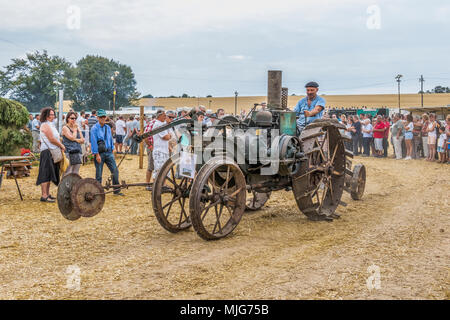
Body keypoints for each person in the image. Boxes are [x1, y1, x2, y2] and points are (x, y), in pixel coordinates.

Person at [90, 109, 123, 196]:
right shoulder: (94, 129)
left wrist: (112, 149)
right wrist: (96, 154)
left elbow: (110, 139)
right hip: (99, 154)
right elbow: (93, 142)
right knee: (99, 174)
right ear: (97, 117)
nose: (102, 118)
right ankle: (98, 192)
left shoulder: (108, 128)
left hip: (109, 153)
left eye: (104, 116)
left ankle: (116, 190)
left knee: (115, 171)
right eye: (101, 117)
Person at [36, 107, 65, 203]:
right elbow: (52, 139)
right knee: (45, 174)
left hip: (51, 151)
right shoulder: (45, 125)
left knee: (49, 174)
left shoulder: (51, 125)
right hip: (47, 152)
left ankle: (47, 194)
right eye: (51, 114)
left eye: (53, 114)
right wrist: (61, 145)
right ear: (46, 116)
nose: (52, 116)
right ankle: (44, 195)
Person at [61, 111, 84, 176]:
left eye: (75, 118)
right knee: (68, 172)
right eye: (72, 118)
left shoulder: (76, 127)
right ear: (67, 118)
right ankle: (65, 186)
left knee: (75, 173)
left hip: (77, 151)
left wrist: (77, 130)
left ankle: (74, 186)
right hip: (69, 152)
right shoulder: (65, 128)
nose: (74, 120)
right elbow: (72, 138)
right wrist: (75, 130)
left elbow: (82, 140)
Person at [152, 110, 172, 179]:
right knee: (159, 170)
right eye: (164, 116)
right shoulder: (158, 124)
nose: (165, 117)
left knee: (164, 170)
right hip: (160, 151)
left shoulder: (162, 124)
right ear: (159, 116)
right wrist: (169, 135)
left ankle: (162, 186)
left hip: (163, 150)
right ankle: (156, 187)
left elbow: (169, 134)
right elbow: (166, 137)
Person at [143, 114, 157, 190]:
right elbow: (145, 135)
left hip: (157, 147)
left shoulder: (162, 123)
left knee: (156, 167)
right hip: (152, 146)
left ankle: (155, 183)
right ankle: (147, 184)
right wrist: (150, 146)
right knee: (151, 166)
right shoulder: (152, 123)